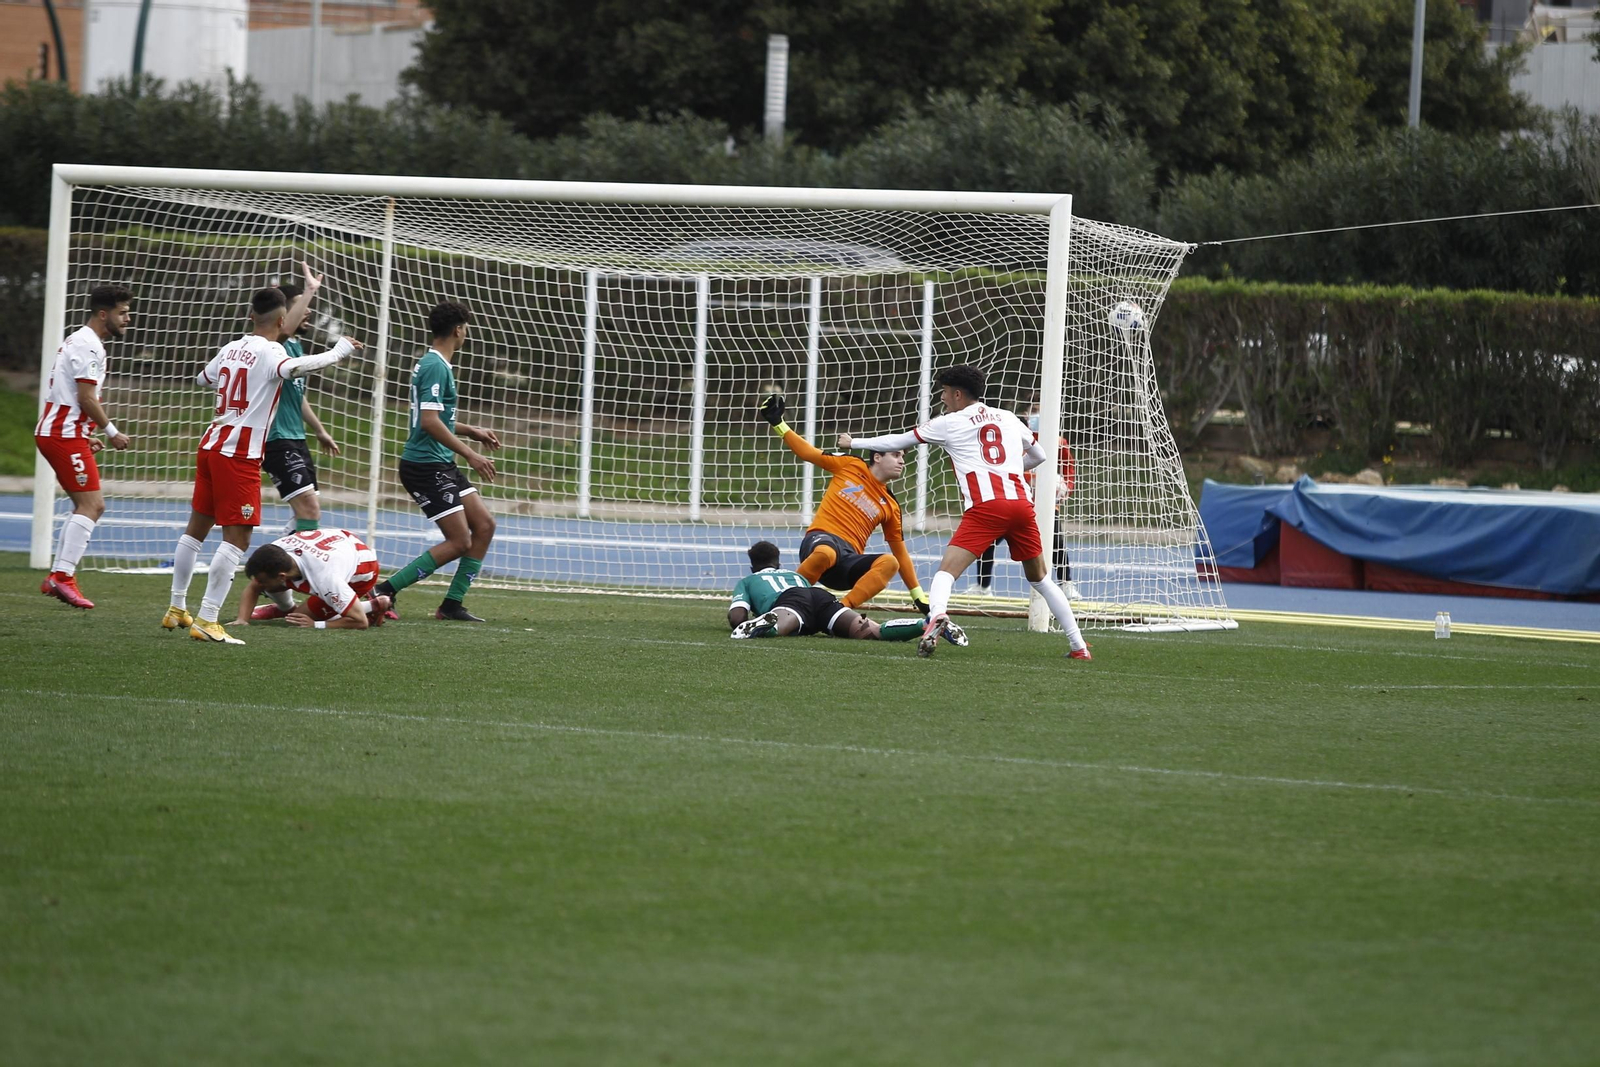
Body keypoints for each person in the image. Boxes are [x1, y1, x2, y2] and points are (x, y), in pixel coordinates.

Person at [840, 363, 1091, 660]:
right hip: (1022, 506)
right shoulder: (1009, 418)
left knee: (946, 572)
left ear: (958, 394)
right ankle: (1079, 647)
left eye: (945, 393)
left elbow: (899, 441)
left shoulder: (950, 422)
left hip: (987, 506)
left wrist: (854, 442)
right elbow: (1041, 455)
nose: (942, 399)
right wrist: (1010, 469)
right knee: (1040, 579)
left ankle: (936, 617)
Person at [161, 286, 362, 645]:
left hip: (209, 446)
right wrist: (339, 351)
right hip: (238, 454)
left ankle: (177, 607)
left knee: (195, 531)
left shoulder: (230, 347)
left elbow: (202, 379)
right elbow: (296, 367)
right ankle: (208, 618)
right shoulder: (272, 351)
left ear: (251, 315)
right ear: (283, 320)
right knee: (238, 539)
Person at [371, 301, 501, 622]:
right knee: (459, 541)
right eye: (466, 328)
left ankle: (451, 605)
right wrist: (470, 454)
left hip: (441, 462)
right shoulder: (434, 366)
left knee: (484, 525)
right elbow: (428, 422)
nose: (466, 333)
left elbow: (435, 418)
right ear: (458, 330)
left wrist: (472, 432)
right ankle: (384, 590)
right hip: (425, 466)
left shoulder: (436, 364)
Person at [757, 394, 927, 614]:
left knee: (890, 562)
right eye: (896, 455)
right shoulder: (850, 465)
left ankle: (837, 611)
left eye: (903, 456)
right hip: (820, 542)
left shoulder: (891, 505)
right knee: (826, 553)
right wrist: (778, 423)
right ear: (877, 457)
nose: (902, 460)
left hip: (846, 562)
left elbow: (901, 554)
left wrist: (919, 596)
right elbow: (809, 453)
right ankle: (782, 604)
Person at [34, 285, 134, 609]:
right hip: (61, 434)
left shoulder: (84, 341)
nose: (128, 319)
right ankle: (62, 577)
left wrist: (84, 431)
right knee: (93, 506)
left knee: (86, 506)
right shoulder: (89, 346)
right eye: (123, 313)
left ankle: (58, 576)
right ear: (103, 314)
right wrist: (111, 431)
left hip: (66, 432)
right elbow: (85, 397)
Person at [254, 267, 345, 620]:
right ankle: (286, 590)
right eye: (300, 305)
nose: (308, 310)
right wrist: (309, 289)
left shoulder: (295, 345)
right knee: (310, 514)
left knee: (304, 515)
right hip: (277, 441)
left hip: (296, 440)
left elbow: (297, 397)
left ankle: (270, 574)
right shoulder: (275, 343)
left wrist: (320, 430)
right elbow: (287, 326)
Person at [727, 541, 963, 645]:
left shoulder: (747, 581)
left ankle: (767, 625)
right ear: (778, 563)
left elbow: (736, 617)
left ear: (752, 566)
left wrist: (744, 617)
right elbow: (806, 591)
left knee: (778, 627)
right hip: (819, 596)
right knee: (874, 632)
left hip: (789, 603)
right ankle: (926, 624)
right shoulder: (794, 574)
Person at [974, 402, 1079, 599]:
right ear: (1026, 414)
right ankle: (983, 585)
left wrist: (1065, 490)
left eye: (1041, 410)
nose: (1037, 415)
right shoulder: (1014, 437)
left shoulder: (1057, 442)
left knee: (1056, 542)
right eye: (1034, 411)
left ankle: (1067, 585)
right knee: (987, 542)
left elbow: (1069, 470)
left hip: (1046, 504)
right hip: (1015, 500)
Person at [234, 529, 391, 631]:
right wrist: (242, 619)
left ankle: (373, 605)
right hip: (340, 544)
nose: (258, 585)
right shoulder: (278, 551)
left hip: (363, 569)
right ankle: (285, 607)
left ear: (282, 576)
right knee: (272, 588)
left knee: (296, 619)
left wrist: (316, 624)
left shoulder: (326, 579)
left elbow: (360, 622)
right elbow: (255, 585)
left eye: (261, 581)